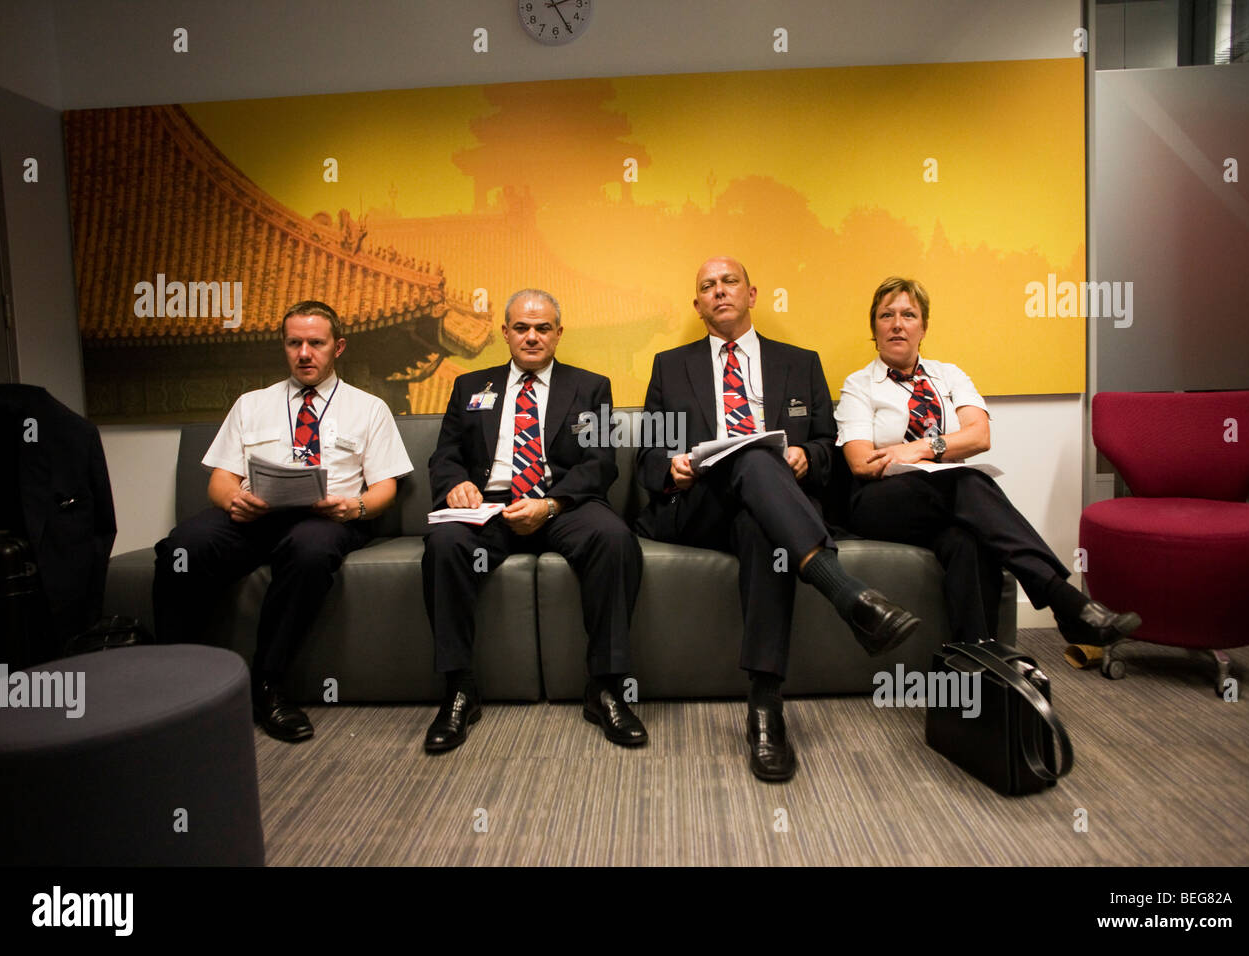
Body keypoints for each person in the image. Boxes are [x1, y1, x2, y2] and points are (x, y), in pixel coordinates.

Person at [635, 256, 920, 783]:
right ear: (697, 305)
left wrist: (808, 457)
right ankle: (843, 591)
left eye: (729, 282)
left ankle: (765, 708)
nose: (719, 292)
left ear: (752, 294)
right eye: (707, 286)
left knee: (761, 522)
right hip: (698, 505)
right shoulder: (669, 366)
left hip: (771, 510)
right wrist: (670, 466)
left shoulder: (800, 361)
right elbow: (645, 458)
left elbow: (828, 448)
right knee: (750, 457)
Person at [153, 300, 413, 742]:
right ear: (284, 346)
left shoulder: (369, 408)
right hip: (254, 517)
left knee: (310, 551)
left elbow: (386, 485)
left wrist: (355, 508)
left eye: (316, 343)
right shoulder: (252, 404)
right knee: (182, 548)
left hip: (327, 518)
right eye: (295, 343)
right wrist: (235, 499)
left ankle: (267, 686)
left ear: (338, 346)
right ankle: (176, 682)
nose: (304, 353)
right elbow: (219, 479)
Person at [836, 276, 1140, 648]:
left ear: (924, 327)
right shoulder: (859, 385)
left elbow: (980, 436)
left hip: (947, 499)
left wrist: (916, 449)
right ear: (875, 328)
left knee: (967, 541)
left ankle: (978, 664)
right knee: (966, 482)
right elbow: (861, 462)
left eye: (909, 315)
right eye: (887, 315)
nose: (898, 324)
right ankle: (1064, 600)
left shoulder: (949, 375)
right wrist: (941, 449)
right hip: (881, 502)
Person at [422, 289, 645, 753]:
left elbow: (600, 462)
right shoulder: (470, 386)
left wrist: (551, 504)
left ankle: (605, 686)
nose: (531, 336)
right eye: (521, 327)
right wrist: (455, 485)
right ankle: (459, 689)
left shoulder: (589, 386)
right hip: (492, 506)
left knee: (614, 539)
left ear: (558, 334)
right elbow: (445, 455)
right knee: (444, 544)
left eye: (543, 328)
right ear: (505, 333)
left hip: (563, 504)